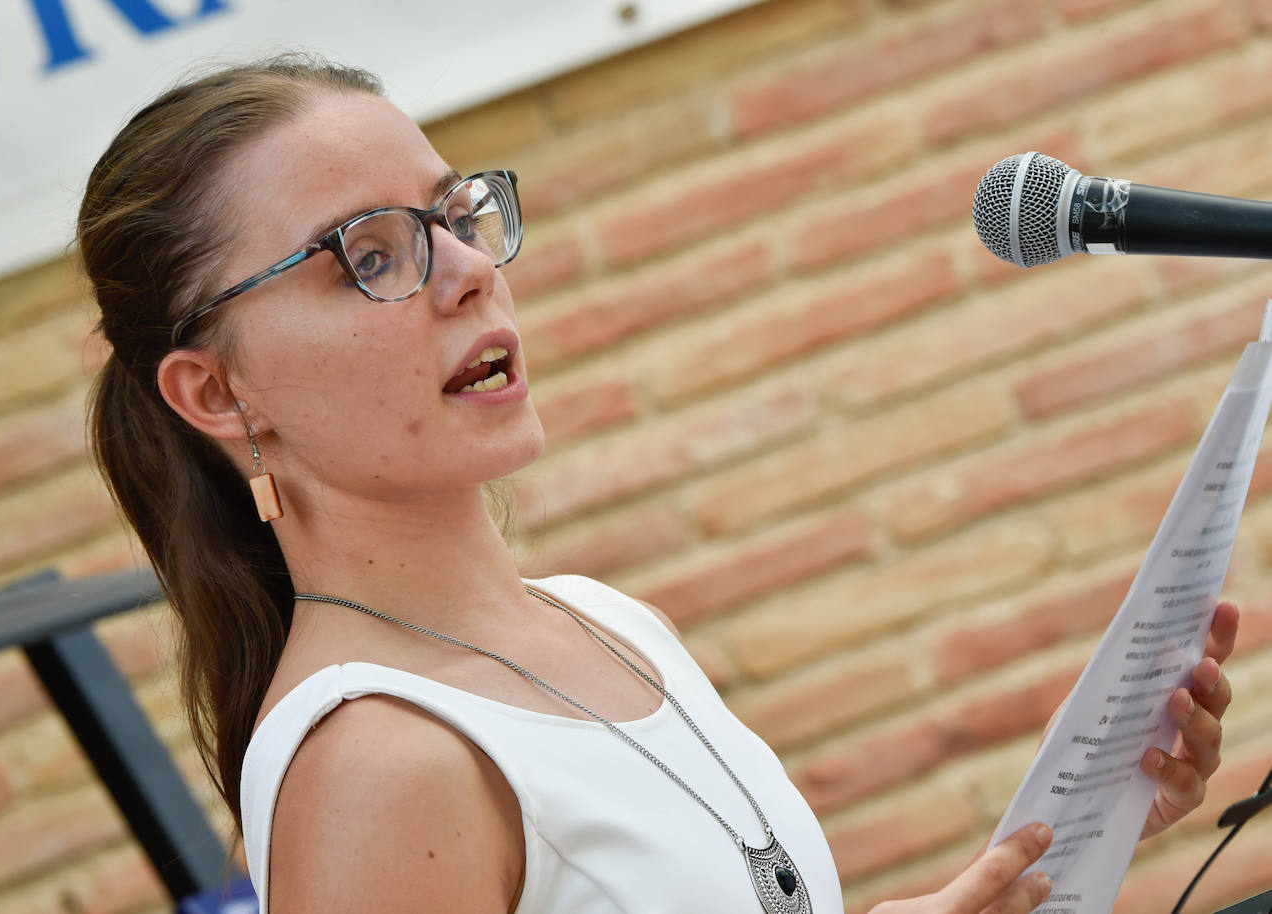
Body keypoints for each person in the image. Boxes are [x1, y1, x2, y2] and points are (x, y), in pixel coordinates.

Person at [79, 55, 1238, 914]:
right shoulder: (377, 757)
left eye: (452, 216)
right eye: (366, 256)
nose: (473, 271)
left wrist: (1080, 822)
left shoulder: (606, 621)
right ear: (218, 396)